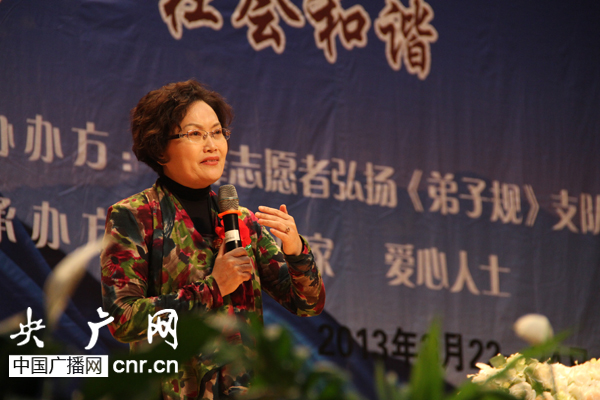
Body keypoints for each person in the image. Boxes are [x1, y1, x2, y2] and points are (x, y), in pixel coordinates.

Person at [100, 79, 326, 399]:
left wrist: (296, 250)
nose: (212, 145)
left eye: (217, 132)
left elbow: (308, 304)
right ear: (160, 147)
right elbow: (123, 320)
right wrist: (212, 288)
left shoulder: (242, 221)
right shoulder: (135, 215)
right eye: (195, 134)